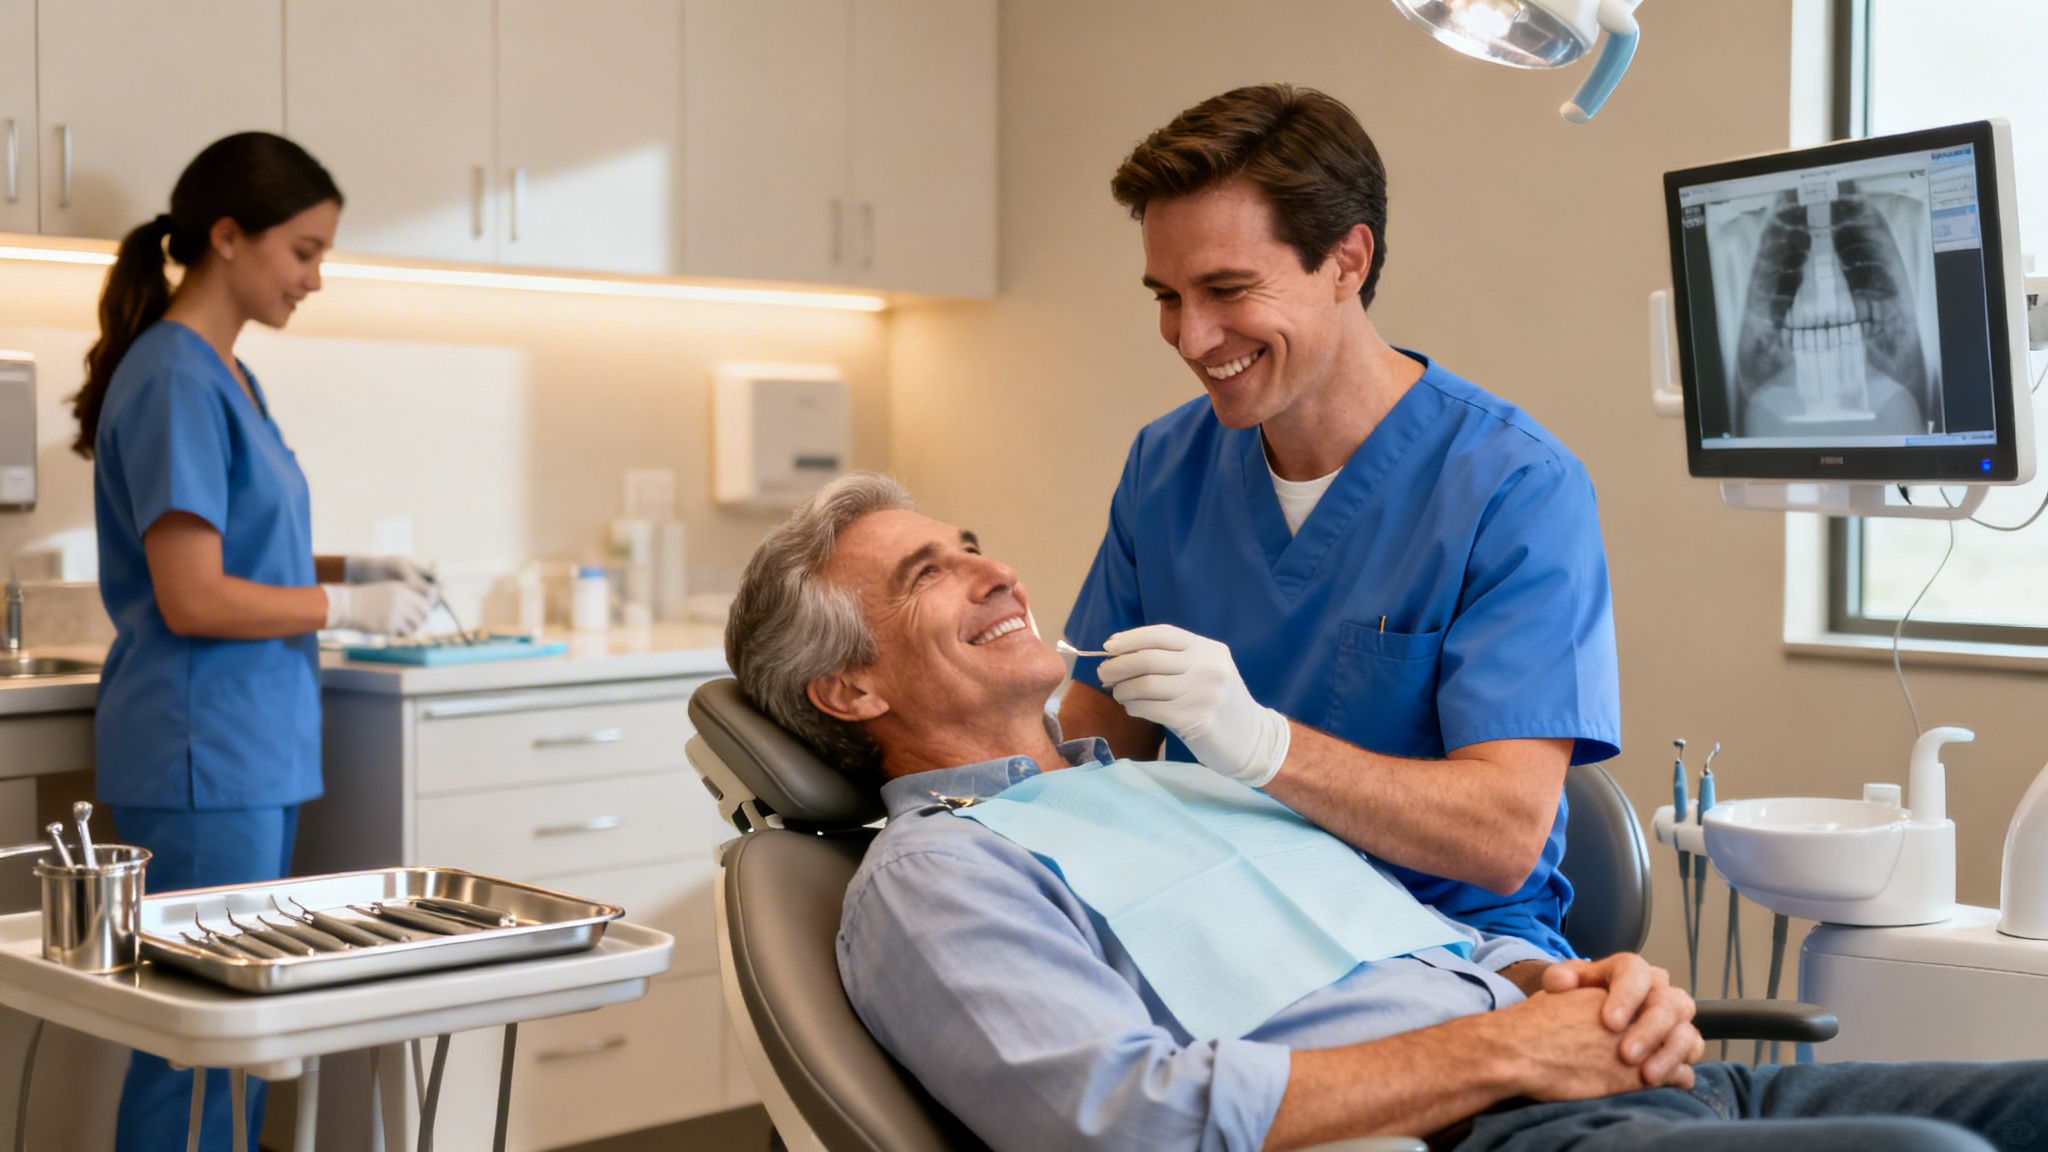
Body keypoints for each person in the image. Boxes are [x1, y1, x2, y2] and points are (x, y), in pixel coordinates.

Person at [724, 472, 2041, 1152]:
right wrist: (1517, 1053)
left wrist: (1567, 982)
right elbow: (1123, 1122)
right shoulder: (935, 877)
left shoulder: (1171, 778)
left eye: (971, 541)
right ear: (848, 683)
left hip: (1619, 1086)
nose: (993, 569)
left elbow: (1411, 957)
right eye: (927, 574)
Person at [1059, 84, 1620, 956]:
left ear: (1347, 262)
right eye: (1166, 296)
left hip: (1445, 944)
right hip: (1212, 927)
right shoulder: (1165, 468)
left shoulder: (1513, 486)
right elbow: (1095, 757)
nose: (1193, 336)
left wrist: (1260, 744)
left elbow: (1503, 837)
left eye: (1227, 289)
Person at [69, 131, 432, 1150]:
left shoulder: (226, 375)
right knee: (195, 1043)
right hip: (199, 756)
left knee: (240, 1031)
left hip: (246, 750)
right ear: (227, 237)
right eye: (303, 252)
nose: (316, 279)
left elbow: (242, 550)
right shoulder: (177, 377)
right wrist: (343, 612)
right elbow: (190, 597)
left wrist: (348, 572)